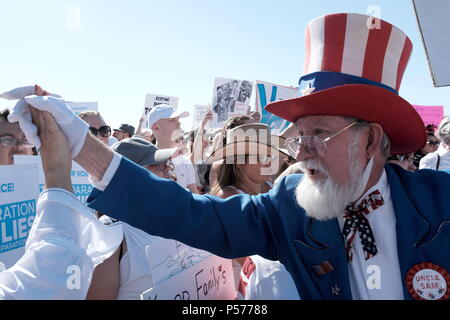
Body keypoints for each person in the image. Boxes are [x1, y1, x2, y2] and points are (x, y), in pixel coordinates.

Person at [9, 13, 450, 301]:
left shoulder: (441, 202)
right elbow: (190, 215)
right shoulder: (291, 200)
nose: (300, 150)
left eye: (320, 133)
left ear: (371, 140)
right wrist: (80, 144)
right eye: (299, 134)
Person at [0, 106, 121, 299]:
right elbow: (51, 271)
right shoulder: (53, 186)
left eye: (25, 139)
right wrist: (57, 173)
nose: (18, 146)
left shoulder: (45, 188)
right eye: (6, 139)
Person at [207, 122, 297, 299]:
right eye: (262, 157)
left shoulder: (270, 186)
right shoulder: (228, 197)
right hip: (249, 286)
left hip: (277, 279)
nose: (270, 162)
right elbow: (245, 256)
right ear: (239, 162)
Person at [87, 137, 181, 300]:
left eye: (168, 164)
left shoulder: (171, 216)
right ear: (129, 177)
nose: (170, 171)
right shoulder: (109, 232)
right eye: (161, 165)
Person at [147, 104, 199, 193]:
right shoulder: (145, 160)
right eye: (172, 120)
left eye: (178, 119)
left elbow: (196, 198)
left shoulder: (185, 162)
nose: (179, 123)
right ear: (156, 127)